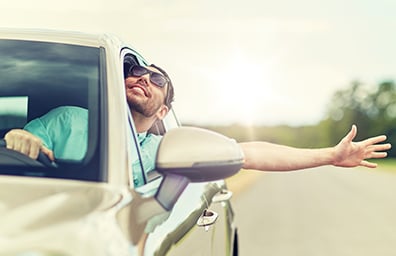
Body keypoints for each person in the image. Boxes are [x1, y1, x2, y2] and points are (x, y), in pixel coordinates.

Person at [4, 64, 391, 180]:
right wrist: (19, 138)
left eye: (157, 80)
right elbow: (24, 140)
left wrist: (329, 155)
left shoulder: (162, 150)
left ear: (162, 112)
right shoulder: (69, 119)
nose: (143, 77)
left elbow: (251, 152)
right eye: (136, 71)